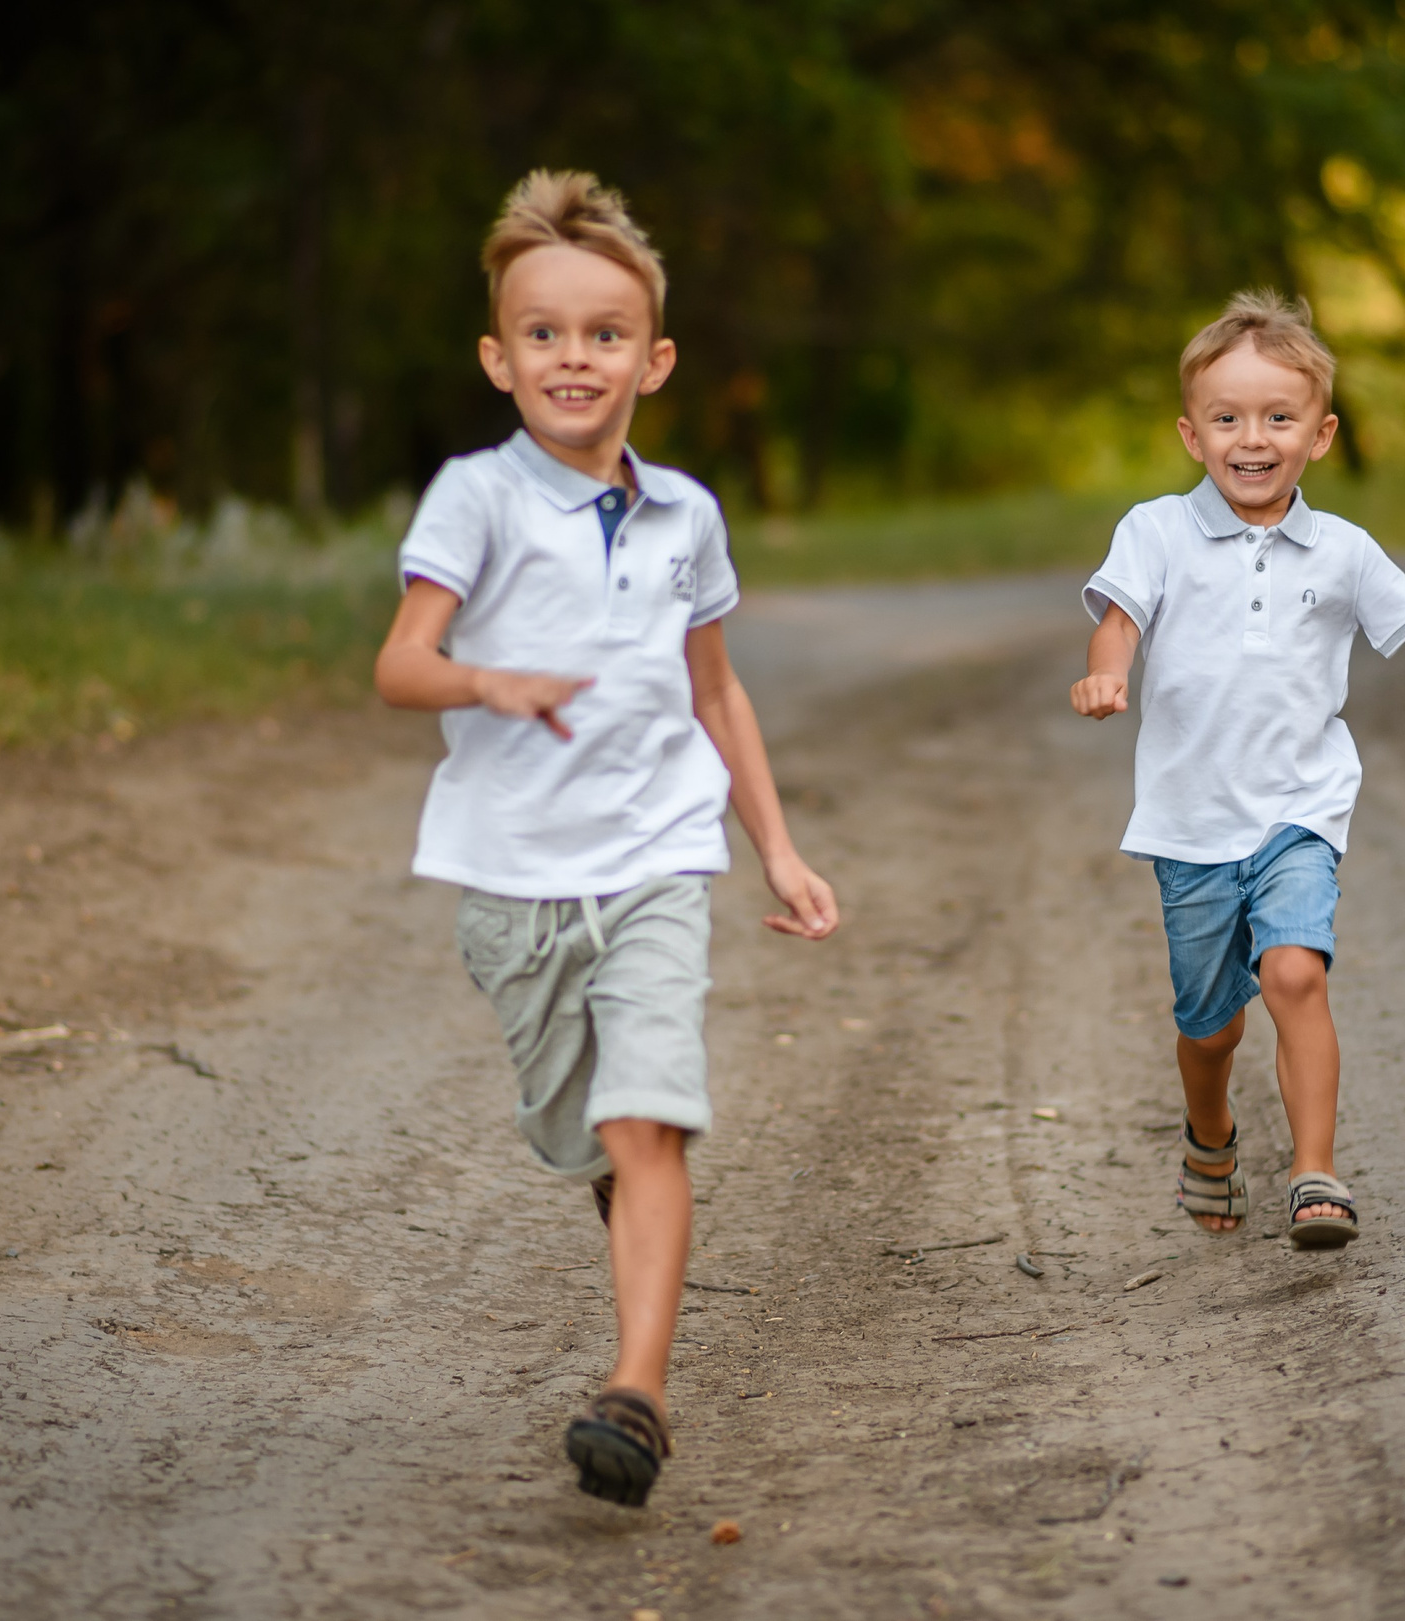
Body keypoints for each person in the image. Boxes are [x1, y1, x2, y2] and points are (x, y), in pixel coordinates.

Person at [374, 169, 838, 1504]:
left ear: (655, 356)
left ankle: (635, 1394)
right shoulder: (477, 498)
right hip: (514, 882)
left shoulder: (689, 513)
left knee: (650, 1123)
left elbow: (716, 693)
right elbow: (402, 666)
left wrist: (779, 849)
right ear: (497, 357)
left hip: (655, 863)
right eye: (544, 333)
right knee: (583, 1138)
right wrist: (487, 681)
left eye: (604, 333)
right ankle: (628, 1206)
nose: (574, 356)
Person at [1069, 290, 1405, 1249]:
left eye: (1279, 418)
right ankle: (1209, 1135)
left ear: (1320, 435)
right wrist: (1104, 676)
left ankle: (1314, 1173)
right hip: (1191, 822)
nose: (1253, 438)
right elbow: (1119, 620)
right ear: (1191, 433)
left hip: (1299, 809)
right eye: (1228, 417)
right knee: (1209, 1027)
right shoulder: (1155, 530)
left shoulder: (1344, 550)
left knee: (1294, 973)